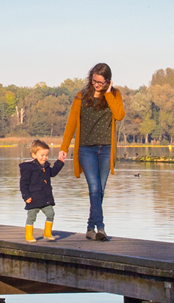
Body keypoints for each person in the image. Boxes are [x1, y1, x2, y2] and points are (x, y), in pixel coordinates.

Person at [59, 63, 125, 241]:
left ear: (108, 82)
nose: (96, 85)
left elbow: (119, 115)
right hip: (86, 149)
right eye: (94, 81)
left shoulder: (114, 95)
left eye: (101, 82)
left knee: (100, 190)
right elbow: (71, 123)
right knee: (94, 188)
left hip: (106, 150)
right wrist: (64, 147)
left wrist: (109, 94)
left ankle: (90, 227)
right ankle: (101, 228)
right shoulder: (81, 97)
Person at [19, 139, 67, 243]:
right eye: (42, 155)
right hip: (33, 198)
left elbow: (53, 173)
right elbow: (23, 184)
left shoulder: (46, 166)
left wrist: (60, 161)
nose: (44, 158)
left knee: (51, 214)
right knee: (31, 217)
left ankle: (47, 233)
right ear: (33, 155)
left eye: (46, 155)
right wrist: (26, 196)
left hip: (45, 197)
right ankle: (28, 235)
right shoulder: (28, 168)